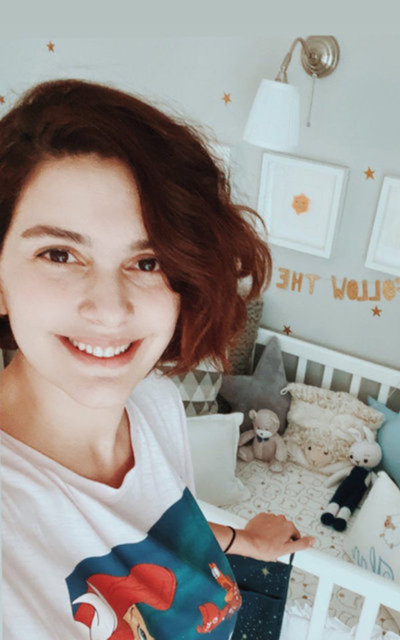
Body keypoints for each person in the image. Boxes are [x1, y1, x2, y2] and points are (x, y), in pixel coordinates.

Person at [0, 78, 314, 639]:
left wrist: (245, 541)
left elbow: (156, 529)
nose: (110, 310)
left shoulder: (155, 406)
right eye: (59, 254)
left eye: (147, 262)